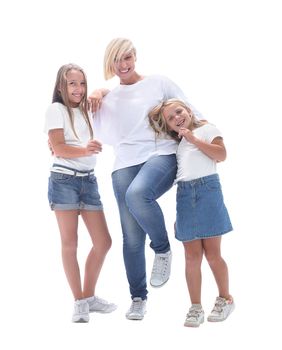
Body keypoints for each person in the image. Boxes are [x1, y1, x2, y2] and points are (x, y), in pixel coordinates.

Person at [89, 38, 203, 320]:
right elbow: (96, 132)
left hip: (160, 153)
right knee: (130, 237)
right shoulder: (109, 97)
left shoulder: (159, 83)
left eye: (127, 57)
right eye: (117, 60)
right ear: (110, 63)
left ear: (135, 56)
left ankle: (162, 249)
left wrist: (208, 138)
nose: (123, 65)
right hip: (124, 160)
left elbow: (188, 109)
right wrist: (97, 96)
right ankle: (138, 298)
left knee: (137, 194)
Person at [149, 98, 234, 327]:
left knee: (213, 254)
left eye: (179, 111)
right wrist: (181, 214)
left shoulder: (207, 129)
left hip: (208, 190)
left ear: (188, 110)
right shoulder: (177, 143)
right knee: (191, 257)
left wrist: (193, 138)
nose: (177, 117)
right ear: (168, 126)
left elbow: (221, 155)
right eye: (171, 118)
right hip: (185, 196)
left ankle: (225, 298)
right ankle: (195, 307)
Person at [44, 63, 117, 323]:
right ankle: (79, 302)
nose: (78, 89)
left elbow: (107, 90)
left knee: (103, 242)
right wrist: (86, 150)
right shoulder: (56, 109)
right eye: (72, 83)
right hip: (64, 180)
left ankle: (88, 296)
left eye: (82, 83)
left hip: (89, 181)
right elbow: (59, 148)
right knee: (70, 243)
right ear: (61, 86)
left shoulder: (86, 107)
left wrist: (97, 92)